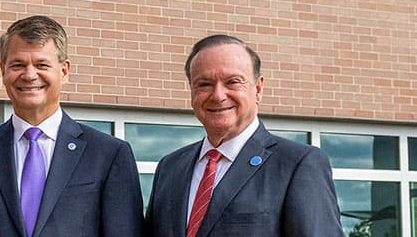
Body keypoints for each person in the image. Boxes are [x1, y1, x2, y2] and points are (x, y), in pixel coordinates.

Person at [0, 15, 143, 237]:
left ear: (64, 71)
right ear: (3, 70)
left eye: (42, 64)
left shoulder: (109, 155)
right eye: (18, 65)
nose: (29, 75)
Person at [144, 35, 344, 237]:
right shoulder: (169, 168)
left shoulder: (297, 165)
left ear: (258, 89)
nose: (218, 95)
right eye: (204, 84)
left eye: (232, 82)